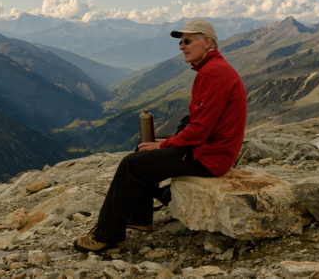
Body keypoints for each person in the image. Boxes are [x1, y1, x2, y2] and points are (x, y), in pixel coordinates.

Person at [73, 19, 248, 254]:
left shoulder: (212, 74)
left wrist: (165, 144)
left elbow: (198, 131)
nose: (181, 46)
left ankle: (108, 238)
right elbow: (201, 125)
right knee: (143, 147)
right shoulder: (213, 69)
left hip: (208, 157)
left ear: (207, 42)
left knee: (131, 165)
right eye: (180, 41)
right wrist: (161, 144)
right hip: (212, 149)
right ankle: (140, 217)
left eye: (187, 41)